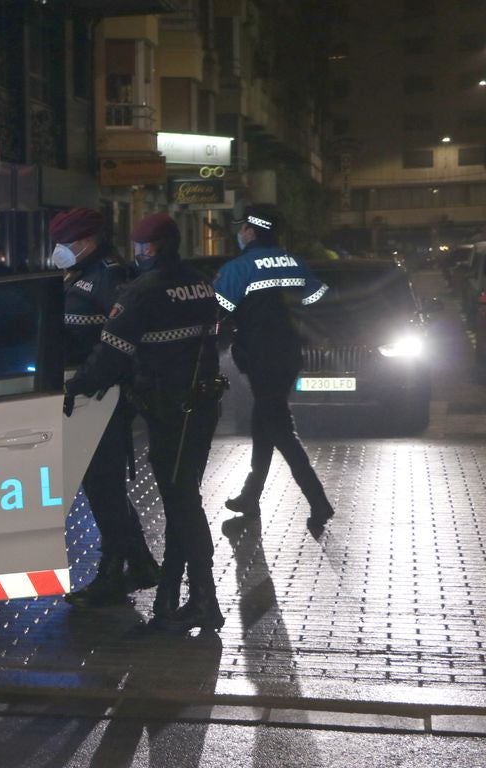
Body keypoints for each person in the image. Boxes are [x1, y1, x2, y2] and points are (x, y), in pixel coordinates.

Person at [65, 213, 226, 631]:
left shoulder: (140, 293)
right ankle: (171, 597)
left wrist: (72, 386)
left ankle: (205, 600)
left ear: (149, 249)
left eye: (140, 248)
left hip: (169, 409)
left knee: (182, 503)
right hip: (204, 405)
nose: (136, 255)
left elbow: (109, 356)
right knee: (181, 497)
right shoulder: (200, 282)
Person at [50, 208, 160, 608]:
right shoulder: (81, 273)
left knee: (102, 486)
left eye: (66, 243)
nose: (59, 250)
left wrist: (87, 383)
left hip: (101, 396)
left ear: (88, 241)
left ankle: (113, 572)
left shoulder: (108, 276)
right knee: (102, 486)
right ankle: (142, 562)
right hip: (87, 393)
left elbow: (117, 341)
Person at [214, 204, 335, 530]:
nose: (240, 233)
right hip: (290, 357)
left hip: (260, 359)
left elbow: (217, 312)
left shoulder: (239, 268)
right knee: (263, 425)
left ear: (251, 232)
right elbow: (317, 302)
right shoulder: (295, 262)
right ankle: (250, 497)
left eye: (242, 228)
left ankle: (318, 501)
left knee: (280, 430)